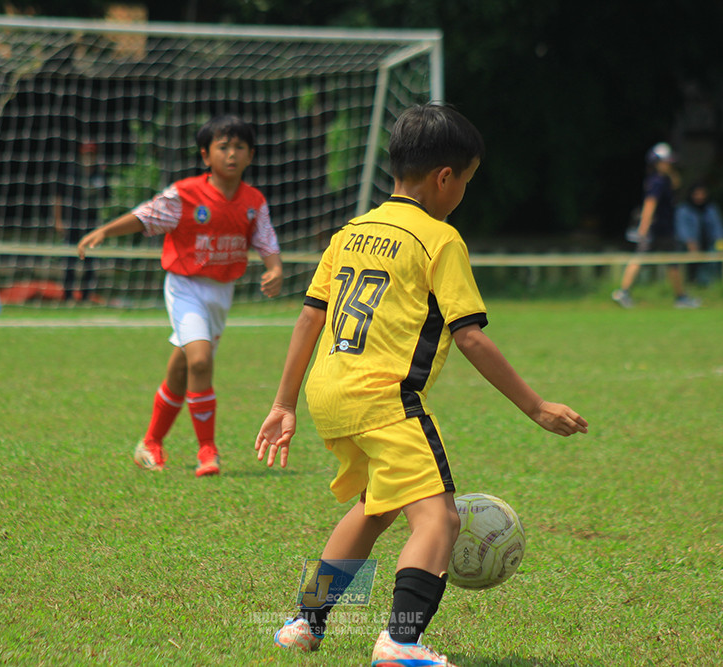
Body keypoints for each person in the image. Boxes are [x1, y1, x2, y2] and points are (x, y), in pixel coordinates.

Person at [254, 103, 588, 666]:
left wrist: (283, 403)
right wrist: (536, 407)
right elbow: (471, 337)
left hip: (330, 392)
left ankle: (303, 624)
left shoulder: (350, 232)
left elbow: (309, 317)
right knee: (440, 517)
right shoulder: (440, 239)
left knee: (375, 508)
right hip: (387, 399)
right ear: (444, 178)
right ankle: (401, 641)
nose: (463, 195)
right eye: (466, 183)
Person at [78, 115, 283, 477]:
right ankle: (208, 451)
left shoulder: (254, 200)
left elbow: (265, 239)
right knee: (201, 361)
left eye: (239, 147)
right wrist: (105, 232)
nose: (231, 154)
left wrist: (275, 268)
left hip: (222, 292)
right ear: (206, 155)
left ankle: (150, 443)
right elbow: (145, 217)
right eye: (223, 147)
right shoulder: (186, 194)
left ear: (251, 155)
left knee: (181, 368)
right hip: (185, 286)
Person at [612, 142, 701, 309]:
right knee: (642, 259)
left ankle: (680, 297)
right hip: (657, 229)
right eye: (665, 161)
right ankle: (624, 292)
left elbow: (677, 183)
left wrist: (670, 171)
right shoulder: (657, 182)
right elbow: (650, 204)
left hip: (664, 228)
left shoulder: (662, 179)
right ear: (656, 163)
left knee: (670, 263)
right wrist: (643, 229)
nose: (668, 164)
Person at [54, 141, 107, 303]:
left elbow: (106, 200)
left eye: (91, 154)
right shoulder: (71, 172)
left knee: (90, 260)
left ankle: (86, 296)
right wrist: (58, 221)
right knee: (70, 259)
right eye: (86, 154)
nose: (88, 157)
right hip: (72, 221)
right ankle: (68, 296)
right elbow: (58, 198)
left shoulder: (100, 173)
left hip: (92, 223)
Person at [674, 182, 723, 287]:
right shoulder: (683, 210)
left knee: (716, 253)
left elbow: (718, 229)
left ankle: (707, 285)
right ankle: (689, 284)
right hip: (687, 245)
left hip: (708, 244)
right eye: (697, 194)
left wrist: (721, 245)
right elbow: (682, 230)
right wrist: (690, 242)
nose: (700, 197)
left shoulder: (711, 209)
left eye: (702, 194)